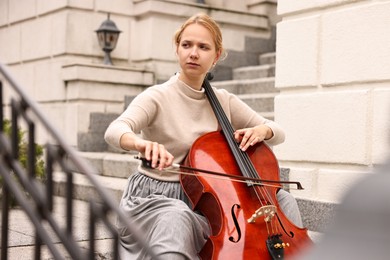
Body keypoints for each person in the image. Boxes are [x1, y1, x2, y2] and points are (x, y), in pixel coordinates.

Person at [104, 12, 303, 260]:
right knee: (177, 217)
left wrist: (262, 130)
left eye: (203, 47)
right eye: (186, 45)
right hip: (157, 198)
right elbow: (115, 130)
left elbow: (278, 132)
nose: (193, 53)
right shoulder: (157, 96)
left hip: (209, 201)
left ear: (216, 56)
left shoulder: (223, 100)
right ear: (177, 49)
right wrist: (141, 144)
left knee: (282, 200)